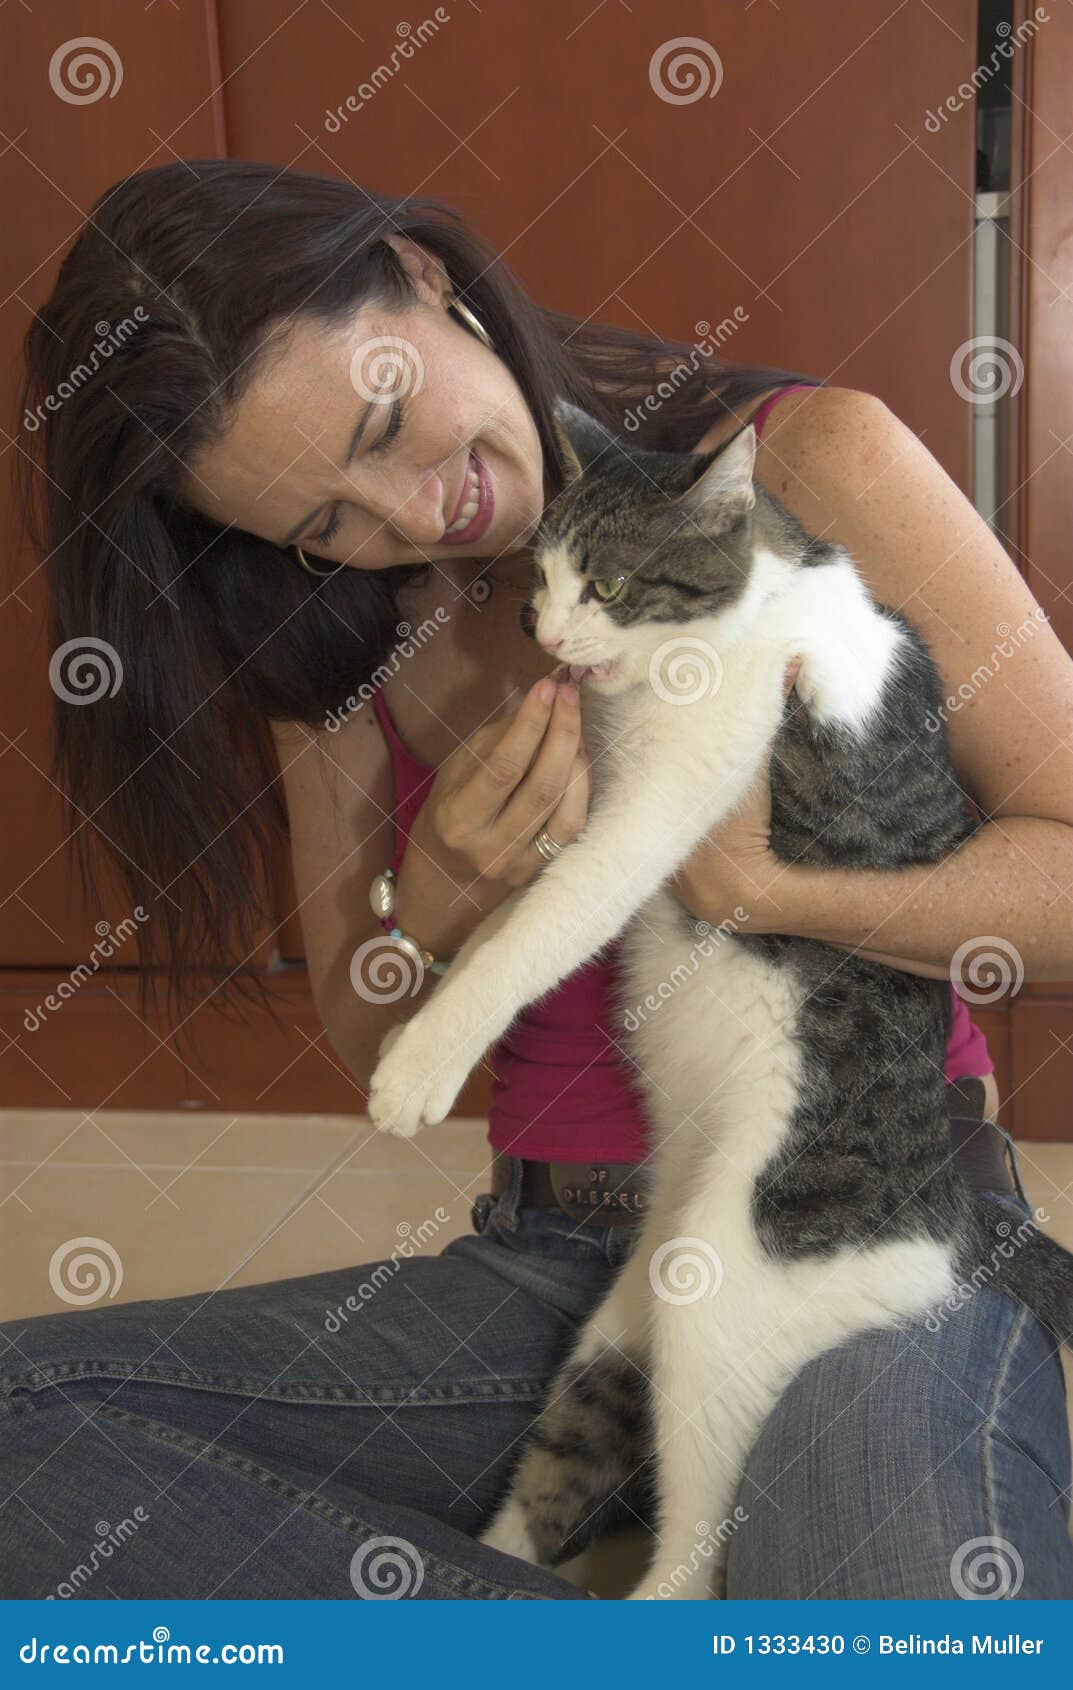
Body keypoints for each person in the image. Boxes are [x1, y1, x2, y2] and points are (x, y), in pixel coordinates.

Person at [4, 160, 1071, 1600]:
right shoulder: (344, 639)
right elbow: (369, 1030)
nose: (411, 514)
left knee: (906, 1633)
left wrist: (764, 887)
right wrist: (440, 880)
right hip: (546, 1260)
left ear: (422, 277)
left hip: (851, 1204)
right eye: (327, 522)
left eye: (387, 425)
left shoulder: (806, 466)